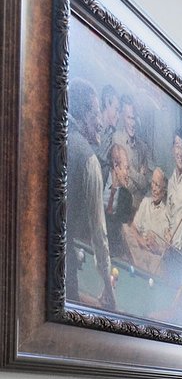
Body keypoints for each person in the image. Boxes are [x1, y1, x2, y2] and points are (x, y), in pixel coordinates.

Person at [65, 80, 115, 309]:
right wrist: (108, 286)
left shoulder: (55, 137)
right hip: (62, 270)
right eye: (96, 114)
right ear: (84, 115)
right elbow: (99, 232)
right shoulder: (88, 159)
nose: (100, 123)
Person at [103, 142, 136, 260]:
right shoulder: (100, 176)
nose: (128, 174)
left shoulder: (127, 198)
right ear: (116, 166)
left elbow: (121, 231)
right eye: (126, 168)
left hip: (112, 249)